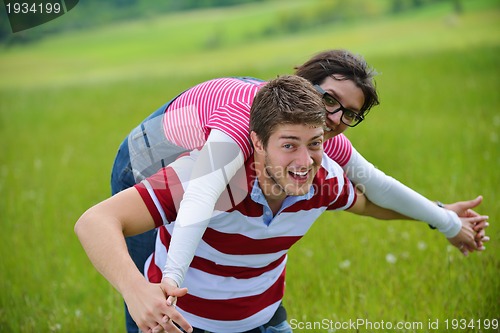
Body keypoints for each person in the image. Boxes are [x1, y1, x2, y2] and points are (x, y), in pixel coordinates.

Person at [110, 50, 487, 332]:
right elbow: (199, 197)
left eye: (350, 114)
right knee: (149, 290)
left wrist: (444, 217)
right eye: (330, 100)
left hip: (205, 171)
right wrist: (172, 280)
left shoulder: (311, 137)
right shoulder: (245, 126)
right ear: (306, 84)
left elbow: (376, 187)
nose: (336, 118)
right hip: (144, 163)